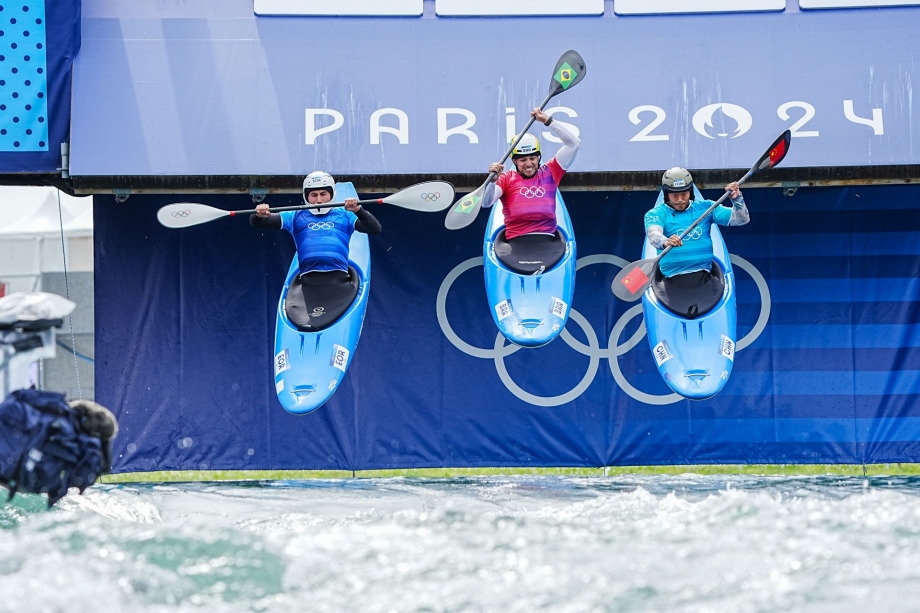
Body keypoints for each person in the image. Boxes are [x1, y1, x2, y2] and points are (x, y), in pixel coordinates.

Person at [250, 171, 381, 330]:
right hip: (308, 284)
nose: (319, 199)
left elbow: (375, 228)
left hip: (339, 280)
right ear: (306, 196)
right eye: (313, 195)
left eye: (323, 194)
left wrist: (358, 210)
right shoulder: (296, 215)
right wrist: (260, 214)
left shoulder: (346, 215)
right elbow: (259, 223)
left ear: (332, 194)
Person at [643, 167, 748, 317]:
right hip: (671, 283)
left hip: (705, 278)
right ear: (667, 195)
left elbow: (741, 220)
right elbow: (653, 234)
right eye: (675, 195)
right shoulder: (656, 213)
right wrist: (665, 241)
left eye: (684, 194)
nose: (680, 200)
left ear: (691, 193)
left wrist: (737, 199)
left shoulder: (706, 208)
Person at [482, 108, 581, 241]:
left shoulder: (551, 172)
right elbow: (486, 203)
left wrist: (548, 121)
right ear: (514, 161)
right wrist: (492, 181)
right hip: (516, 242)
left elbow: (574, 144)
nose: (529, 164)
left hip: (548, 241)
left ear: (538, 158)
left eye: (532, 158)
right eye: (523, 160)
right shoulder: (506, 179)